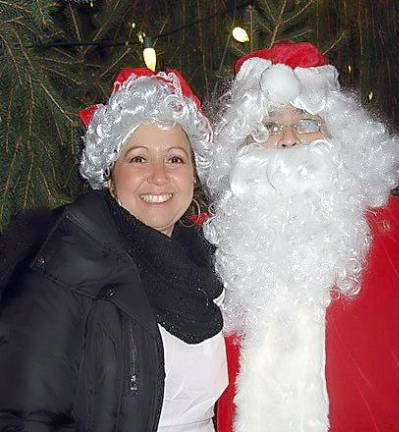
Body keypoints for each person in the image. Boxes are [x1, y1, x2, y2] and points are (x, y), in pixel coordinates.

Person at [198, 41, 399, 431]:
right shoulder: (211, 243)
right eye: (268, 127)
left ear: (341, 138)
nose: (288, 139)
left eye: (306, 123)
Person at [0, 67, 228, 432]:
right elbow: (24, 416)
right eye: (138, 158)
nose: (159, 175)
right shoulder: (63, 263)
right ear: (110, 174)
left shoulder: (214, 262)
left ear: (194, 174)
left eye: (174, 158)